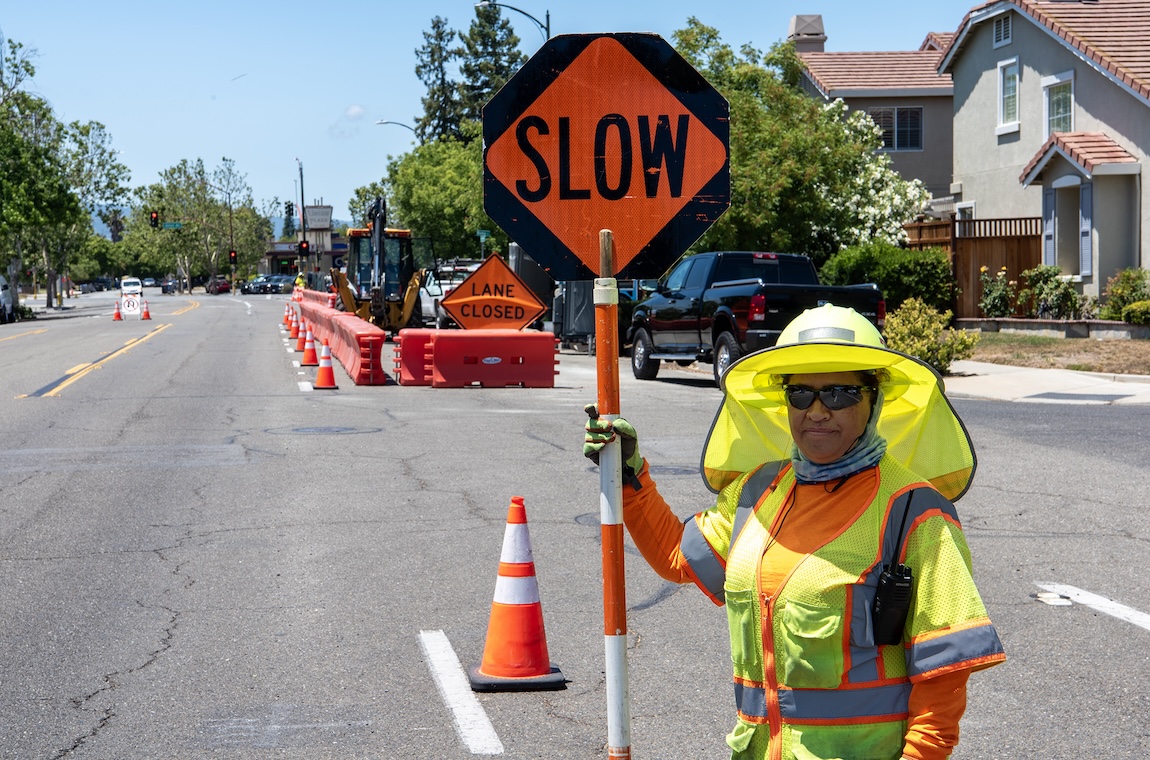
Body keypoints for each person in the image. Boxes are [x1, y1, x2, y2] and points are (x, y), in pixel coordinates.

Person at [584, 304, 1005, 760]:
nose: (818, 411)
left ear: (874, 399)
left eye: (841, 394)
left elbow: (943, 674)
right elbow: (675, 555)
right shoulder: (757, 492)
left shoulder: (913, 509)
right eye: (800, 394)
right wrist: (629, 477)